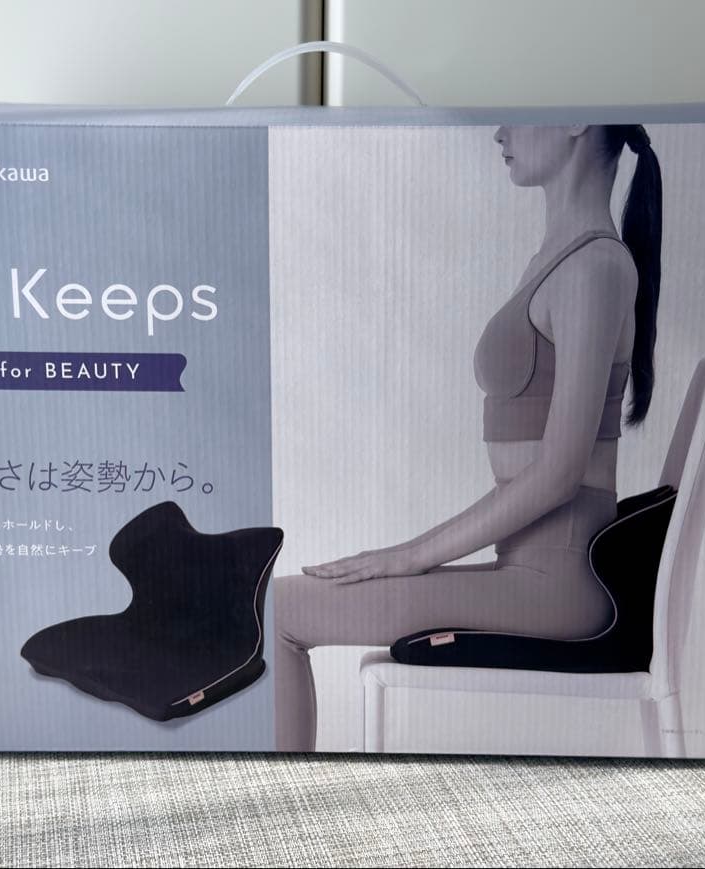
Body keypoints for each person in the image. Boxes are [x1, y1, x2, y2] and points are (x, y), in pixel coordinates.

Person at [273, 124, 663, 752]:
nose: (500, 132)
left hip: (555, 588)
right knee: (276, 607)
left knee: (278, 612)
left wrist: (409, 555)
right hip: (527, 573)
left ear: (575, 121)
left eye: (518, 115)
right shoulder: (564, 258)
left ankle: (285, 807)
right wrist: (411, 556)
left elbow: (560, 472)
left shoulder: (595, 266)